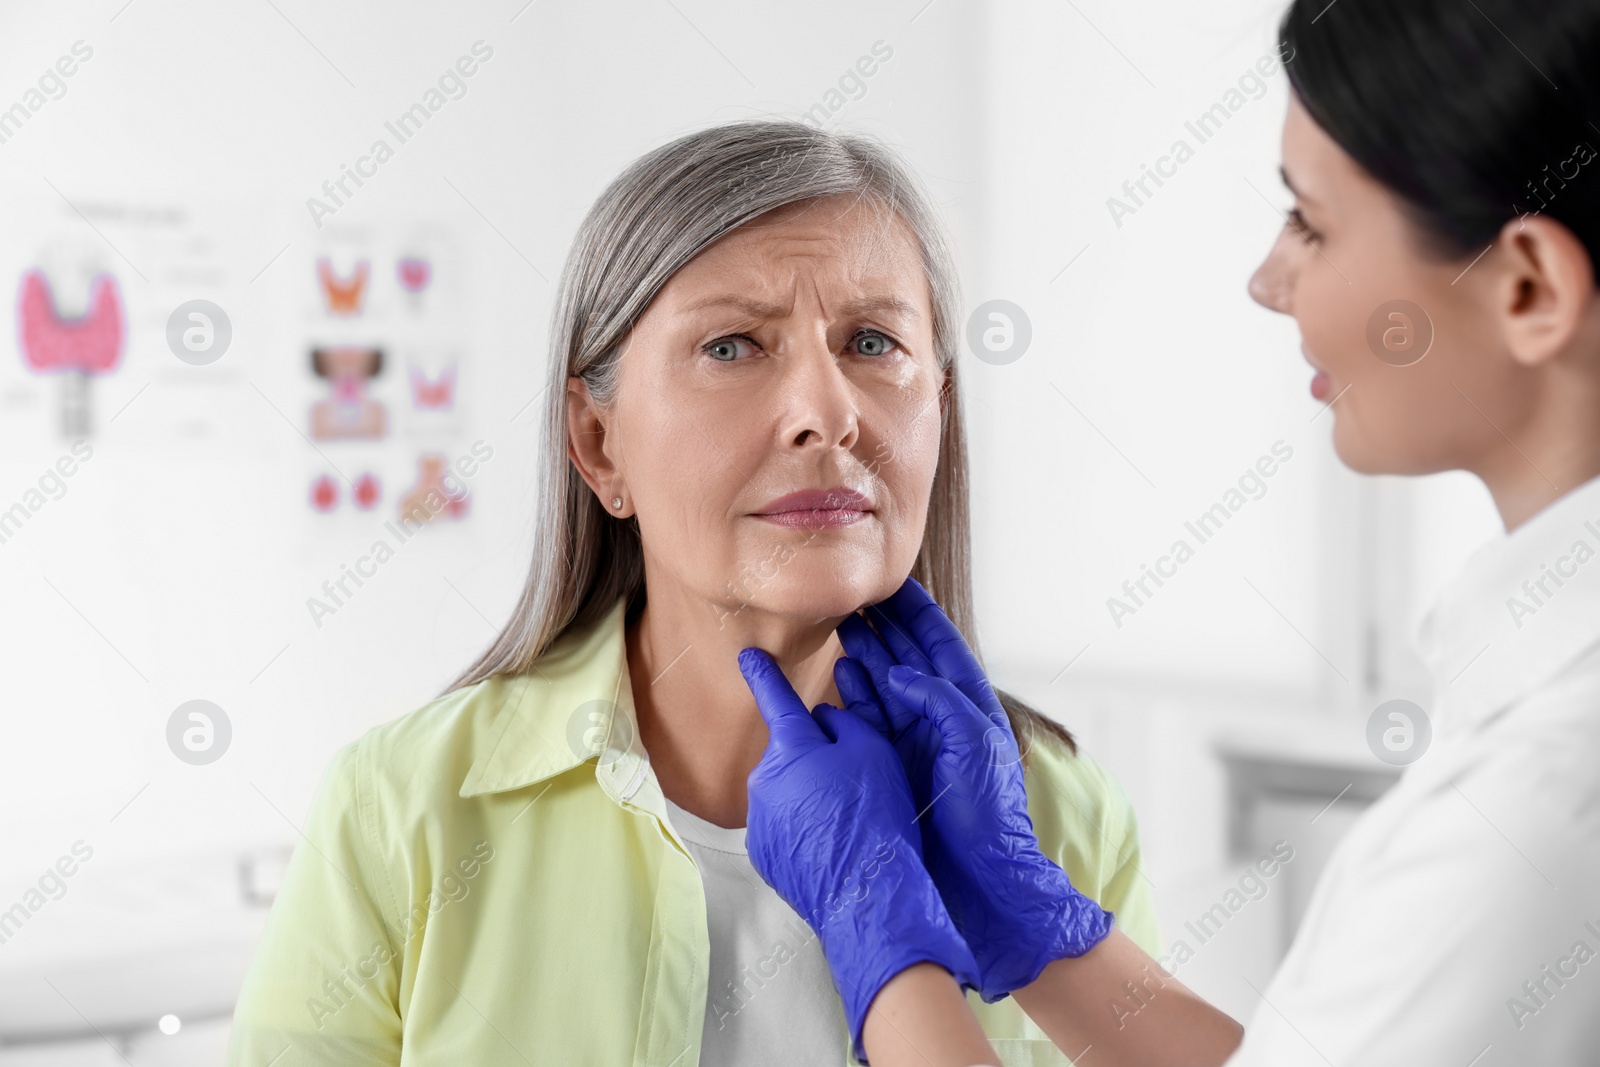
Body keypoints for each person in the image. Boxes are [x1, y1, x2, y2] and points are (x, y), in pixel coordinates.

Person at [743, 0, 1600, 1064]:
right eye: (732, 346)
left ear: (1527, 286)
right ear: (596, 444)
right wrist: (1036, 926)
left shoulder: (1542, 808)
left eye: (1313, 224)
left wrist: (882, 944)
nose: (1267, 280)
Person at [224, 120, 1179, 1066]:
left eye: (874, 340)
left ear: (940, 408)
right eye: (732, 346)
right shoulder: (399, 812)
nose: (828, 414)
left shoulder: (1062, 820)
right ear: (600, 444)